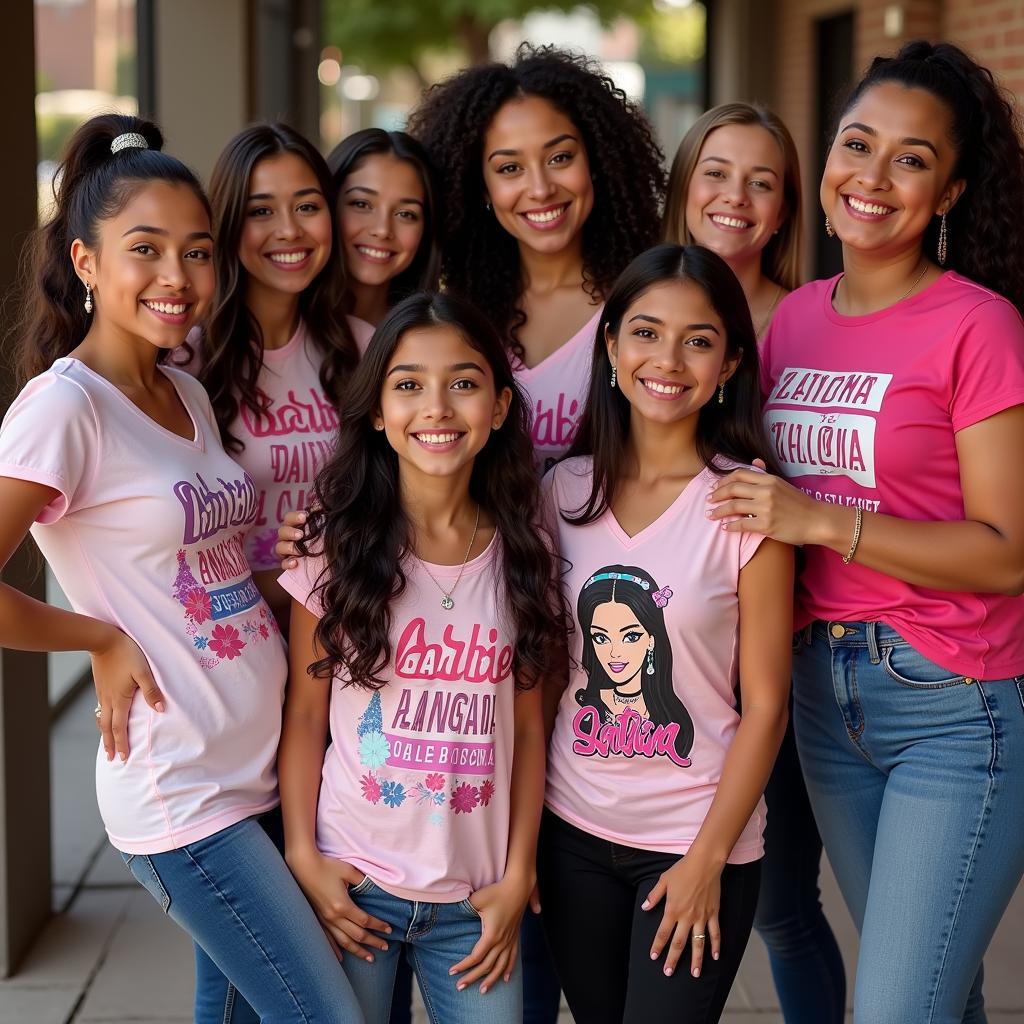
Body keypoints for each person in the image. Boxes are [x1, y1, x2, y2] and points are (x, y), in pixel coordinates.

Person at [0, 114, 363, 1024]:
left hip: (256, 761)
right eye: (146, 250)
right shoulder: (64, 409)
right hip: (184, 790)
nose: (177, 278)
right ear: (86, 262)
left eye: (197, 252)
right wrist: (98, 636)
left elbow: (202, 572)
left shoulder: (186, 390)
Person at [708, 41, 1024, 1023]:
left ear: (948, 191)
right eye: (857, 144)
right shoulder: (792, 318)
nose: (872, 178)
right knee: (939, 989)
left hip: (952, 702)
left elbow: (1007, 549)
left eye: (911, 159)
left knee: (896, 1006)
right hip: (821, 700)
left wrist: (823, 521)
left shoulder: (978, 327)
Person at [277, 291, 564, 1024]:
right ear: (377, 411)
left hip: (474, 900)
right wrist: (305, 857)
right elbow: (306, 717)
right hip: (354, 882)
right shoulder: (330, 544)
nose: (436, 407)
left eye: (463, 383)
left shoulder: (526, 550)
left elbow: (528, 729)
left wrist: (519, 868)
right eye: (408, 385)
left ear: (499, 407)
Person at [539, 243, 793, 1024]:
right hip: (572, 832)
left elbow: (768, 706)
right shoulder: (561, 490)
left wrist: (707, 858)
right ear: (610, 346)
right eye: (646, 332)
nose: (669, 360)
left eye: (699, 339)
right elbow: (544, 674)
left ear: (728, 366)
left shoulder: (748, 505)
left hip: (694, 840)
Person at [665, 104, 845, 1024]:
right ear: (683, 186)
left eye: (762, 181)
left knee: (779, 903)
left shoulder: (811, 319)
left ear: (783, 212)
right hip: (664, 645)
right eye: (716, 172)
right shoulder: (645, 306)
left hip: (787, 644)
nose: (735, 197)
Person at [409, 43, 664, 474]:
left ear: (596, 162)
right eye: (510, 168)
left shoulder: (647, 303)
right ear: (482, 188)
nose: (541, 188)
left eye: (560, 157)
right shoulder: (456, 315)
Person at [176, 123, 359, 632]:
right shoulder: (185, 361)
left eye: (307, 206)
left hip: (344, 637)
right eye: (261, 211)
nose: (289, 230)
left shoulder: (366, 348)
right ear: (229, 225)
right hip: (225, 636)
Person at [327, 128, 441, 348]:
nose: (382, 229)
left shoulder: (433, 341)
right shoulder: (287, 330)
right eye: (361, 204)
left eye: (405, 214)